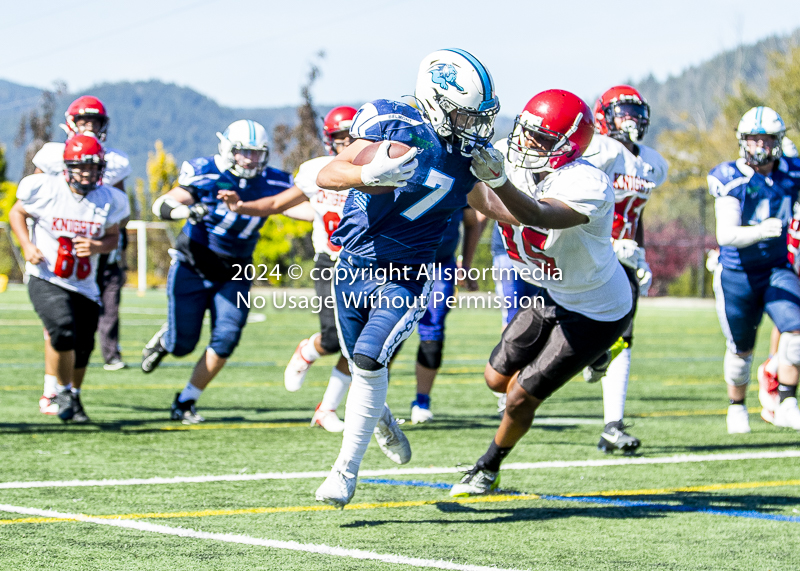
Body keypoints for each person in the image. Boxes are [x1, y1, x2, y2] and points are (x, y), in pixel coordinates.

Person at [312, 48, 514, 508]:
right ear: (438, 101)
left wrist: (507, 187)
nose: (474, 124)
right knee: (366, 367)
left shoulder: (467, 153)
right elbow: (330, 171)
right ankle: (379, 415)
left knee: (366, 359)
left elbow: (498, 209)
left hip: (410, 273)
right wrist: (366, 172)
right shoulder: (393, 123)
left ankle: (344, 472)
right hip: (353, 265)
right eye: (466, 113)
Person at [450, 89, 633, 496]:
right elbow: (478, 199)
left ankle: (488, 467)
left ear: (570, 146)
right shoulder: (508, 153)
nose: (528, 143)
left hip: (596, 310)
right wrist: (457, 165)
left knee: (518, 398)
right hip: (549, 291)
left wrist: (490, 178)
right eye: (527, 132)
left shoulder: (587, 182)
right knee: (495, 379)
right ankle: (596, 356)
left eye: (542, 139)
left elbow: (533, 214)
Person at [140, 120, 303, 423]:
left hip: (236, 268)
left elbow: (298, 207)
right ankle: (166, 340)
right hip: (194, 262)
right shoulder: (206, 171)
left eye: (257, 153)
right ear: (228, 150)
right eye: (244, 152)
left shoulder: (275, 180)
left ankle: (186, 400)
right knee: (181, 346)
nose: (251, 159)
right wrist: (187, 210)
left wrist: (329, 212)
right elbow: (163, 205)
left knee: (226, 337)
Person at [229, 106, 358, 433]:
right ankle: (307, 350)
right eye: (339, 138)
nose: (346, 144)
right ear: (330, 141)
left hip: (366, 265)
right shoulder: (317, 171)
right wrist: (242, 206)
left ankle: (326, 408)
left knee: (359, 345)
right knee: (332, 339)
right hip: (330, 263)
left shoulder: (373, 170)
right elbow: (277, 203)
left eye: (351, 137)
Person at [9, 135, 130, 423]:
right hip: (46, 275)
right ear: (67, 166)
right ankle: (60, 390)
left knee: (85, 346)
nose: (87, 173)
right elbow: (17, 212)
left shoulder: (108, 199)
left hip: (85, 284)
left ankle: (73, 395)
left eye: (93, 167)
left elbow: (114, 237)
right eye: (81, 166)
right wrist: (26, 245)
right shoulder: (46, 188)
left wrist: (98, 246)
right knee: (62, 329)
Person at [579, 85, 668, 453]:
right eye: (622, 112)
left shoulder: (651, 161)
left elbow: (638, 214)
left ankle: (612, 425)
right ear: (604, 117)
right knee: (577, 331)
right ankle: (590, 356)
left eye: (635, 111)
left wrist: (641, 253)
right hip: (590, 253)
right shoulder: (599, 151)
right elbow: (578, 202)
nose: (630, 119)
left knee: (623, 336)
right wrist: (609, 243)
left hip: (626, 257)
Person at [34, 96, 132, 415]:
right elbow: (34, 198)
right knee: (58, 325)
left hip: (94, 248)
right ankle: (53, 391)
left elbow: (114, 208)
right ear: (70, 121)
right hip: (56, 247)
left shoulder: (116, 161)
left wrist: (108, 244)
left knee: (84, 332)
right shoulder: (51, 154)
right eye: (83, 120)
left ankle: (71, 392)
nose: (89, 126)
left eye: (96, 121)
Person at [708, 106, 800, 433]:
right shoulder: (730, 178)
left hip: (776, 268)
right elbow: (725, 234)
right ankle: (737, 406)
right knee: (741, 350)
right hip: (737, 274)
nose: (759, 146)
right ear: (741, 141)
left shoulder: (791, 172)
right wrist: (761, 230)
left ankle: (787, 401)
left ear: (778, 142)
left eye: (766, 139)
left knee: (796, 330)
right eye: (753, 139)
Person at [410, 206, 483, 424]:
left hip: (441, 266)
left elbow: (474, 219)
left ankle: (422, 401)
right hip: (401, 264)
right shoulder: (404, 173)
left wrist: (467, 264)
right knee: (387, 333)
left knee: (433, 331)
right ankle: (373, 400)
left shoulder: (461, 177)